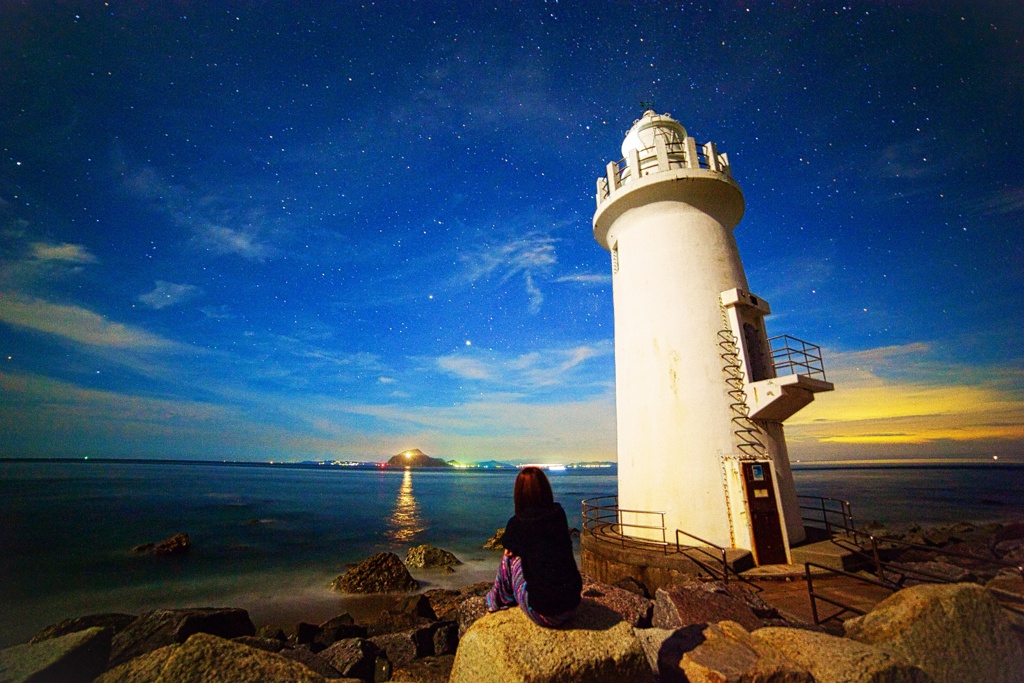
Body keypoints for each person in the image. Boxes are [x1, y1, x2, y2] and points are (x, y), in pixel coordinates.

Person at [485, 466, 582, 627]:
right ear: (545, 489)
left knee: (509, 558)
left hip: (544, 613)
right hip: (572, 605)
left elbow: (508, 549)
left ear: (519, 493)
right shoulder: (559, 513)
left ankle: (496, 600)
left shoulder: (518, 522)